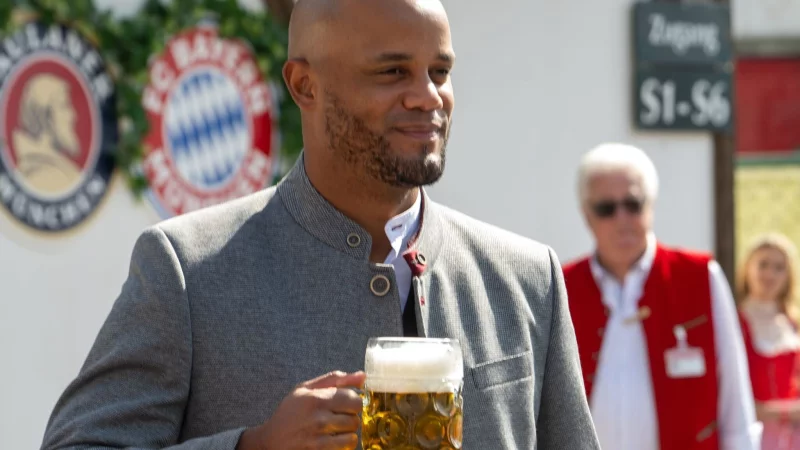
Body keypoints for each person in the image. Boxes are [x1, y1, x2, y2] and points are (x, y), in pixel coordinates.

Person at [40, 0, 600, 449]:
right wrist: (252, 448)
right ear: (304, 85)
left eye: (440, 71)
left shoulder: (529, 278)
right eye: (393, 71)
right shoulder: (187, 269)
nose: (428, 97)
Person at [561, 142, 762, 450]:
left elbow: (736, 404)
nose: (622, 219)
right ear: (587, 215)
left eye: (633, 204)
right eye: (606, 209)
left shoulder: (701, 276)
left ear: (651, 206)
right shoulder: (561, 285)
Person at [737, 233, 800, 449]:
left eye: (779, 267)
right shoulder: (735, 323)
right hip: (755, 437)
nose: (770, 274)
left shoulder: (794, 324)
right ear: (748, 269)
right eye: (763, 265)